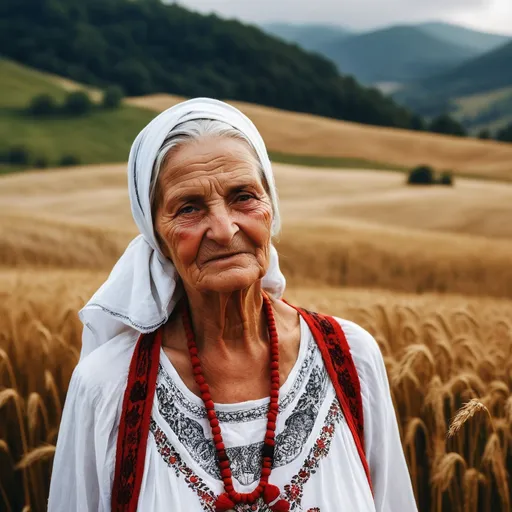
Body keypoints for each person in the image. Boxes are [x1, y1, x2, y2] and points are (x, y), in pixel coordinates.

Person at [48, 98, 417, 512]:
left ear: (270, 209)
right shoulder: (108, 387)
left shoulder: (351, 358)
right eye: (189, 208)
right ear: (156, 235)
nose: (224, 230)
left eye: (243, 196)